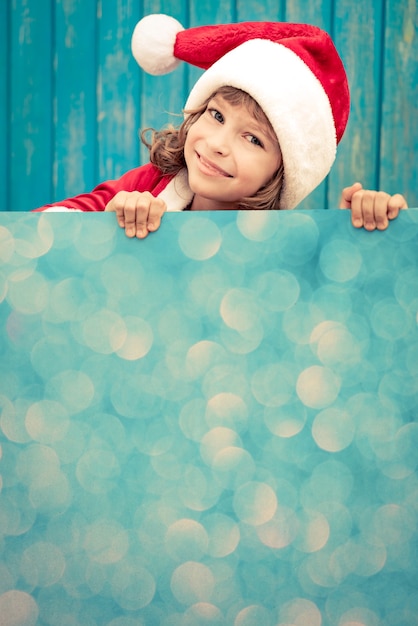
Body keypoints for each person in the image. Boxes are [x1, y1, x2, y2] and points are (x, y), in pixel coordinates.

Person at [34, 14, 407, 238]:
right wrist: (106, 221)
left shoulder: (287, 244)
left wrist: (354, 232)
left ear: (284, 171)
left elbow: (329, 296)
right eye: (216, 115)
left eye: (253, 139)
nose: (217, 144)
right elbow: (37, 231)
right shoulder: (150, 184)